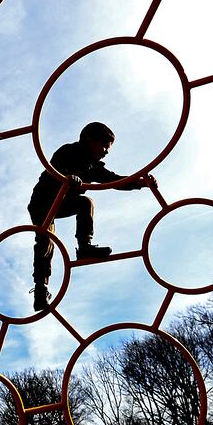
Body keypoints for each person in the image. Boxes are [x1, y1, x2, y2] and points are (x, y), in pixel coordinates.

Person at [27, 122, 154, 311]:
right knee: (46, 241)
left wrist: (140, 183)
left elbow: (114, 180)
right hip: (43, 202)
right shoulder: (68, 151)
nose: (106, 152)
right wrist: (68, 177)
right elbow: (56, 168)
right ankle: (40, 288)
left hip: (63, 203)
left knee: (85, 203)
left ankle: (84, 246)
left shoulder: (93, 167)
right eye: (104, 146)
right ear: (88, 139)